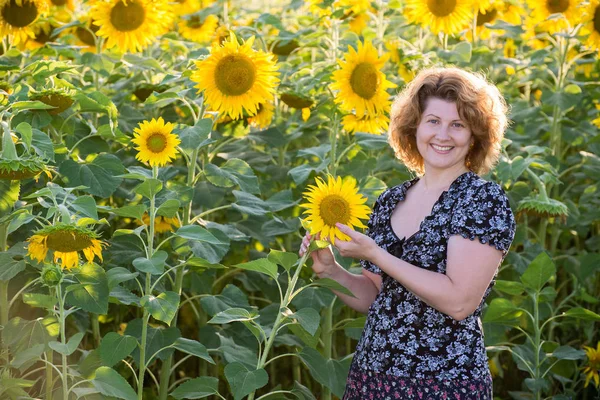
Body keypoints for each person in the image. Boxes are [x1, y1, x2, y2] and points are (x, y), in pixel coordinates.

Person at [299, 66, 516, 399]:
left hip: (443, 382)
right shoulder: (390, 200)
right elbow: (374, 296)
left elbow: (460, 302)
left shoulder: (481, 199)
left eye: (457, 124)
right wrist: (331, 270)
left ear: (475, 135)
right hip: (373, 377)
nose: (443, 135)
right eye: (433, 121)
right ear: (414, 127)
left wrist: (377, 255)